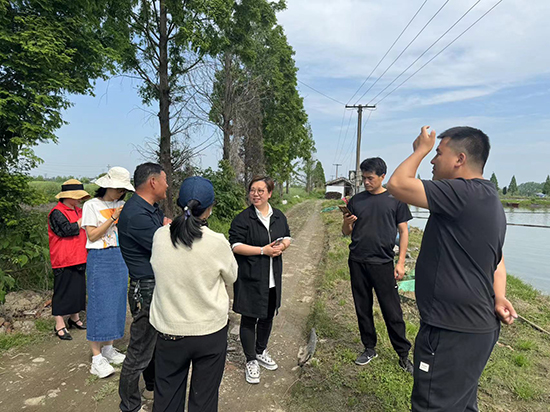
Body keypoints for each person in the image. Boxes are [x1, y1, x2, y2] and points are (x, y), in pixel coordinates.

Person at [387, 126, 517, 411]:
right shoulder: (488, 197)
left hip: (451, 329)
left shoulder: (462, 192)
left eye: (438, 153)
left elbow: (397, 184)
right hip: (475, 326)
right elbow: (497, 258)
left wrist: (420, 149)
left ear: (459, 159)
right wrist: (498, 295)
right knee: (460, 403)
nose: (432, 160)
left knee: (434, 404)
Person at [149, 176, 237, 412]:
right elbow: (232, 277)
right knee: (204, 400)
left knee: (167, 399)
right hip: (209, 331)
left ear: (180, 204)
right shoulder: (217, 242)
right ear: (209, 208)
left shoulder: (160, 236)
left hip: (169, 331)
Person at [342, 157, 414, 373]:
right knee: (362, 307)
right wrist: (346, 223)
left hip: (383, 263)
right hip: (357, 261)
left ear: (383, 176)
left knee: (392, 310)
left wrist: (400, 262)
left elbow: (403, 231)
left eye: (370, 178)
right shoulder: (356, 201)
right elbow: (346, 232)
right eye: (363, 178)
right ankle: (369, 348)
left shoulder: (396, 200)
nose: (366, 182)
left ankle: (403, 355)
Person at [229, 176, 291, 384]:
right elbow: (235, 246)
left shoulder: (278, 216)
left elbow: (287, 236)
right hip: (250, 276)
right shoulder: (243, 219)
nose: (255, 194)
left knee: (267, 315)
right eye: (252, 190)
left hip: (272, 278)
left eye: (260, 190)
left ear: (269, 193)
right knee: (249, 317)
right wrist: (263, 251)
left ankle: (260, 350)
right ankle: (250, 360)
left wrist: (283, 246)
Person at [118, 163, 170, 412]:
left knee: (154, 344)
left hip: (153, 285)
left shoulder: (149, 209)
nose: (167, 185)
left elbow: (164, 228)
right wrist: (166, 229)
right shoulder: (136, 215)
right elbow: (165, 245)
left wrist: (165, 227)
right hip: (145, 288)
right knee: (139, 350)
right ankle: (129, 405)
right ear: (153, 182)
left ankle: (151, 385)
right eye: (164, 180)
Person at [81, 167, 134, 378]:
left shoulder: (122, 205)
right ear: (107, 186)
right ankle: (96, 358)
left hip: (119, 255)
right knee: (99, 303)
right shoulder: (91, 205)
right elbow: (92, 235)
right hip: (100, 256)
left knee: (117, 302)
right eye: (118, 189)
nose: (121, 193)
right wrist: (113, 218)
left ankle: (109, 348)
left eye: (123, 190)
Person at [48, 179, 90, 340]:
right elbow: (66, 230)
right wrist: (81, 222)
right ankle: (59, 323)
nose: (80, 199)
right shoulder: (56, 212)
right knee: (62, 291)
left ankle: (74, 318)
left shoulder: (79, 211)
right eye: (77, 196)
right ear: (68, 196)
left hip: (80, 255)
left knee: (78, 290)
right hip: (63, 258)